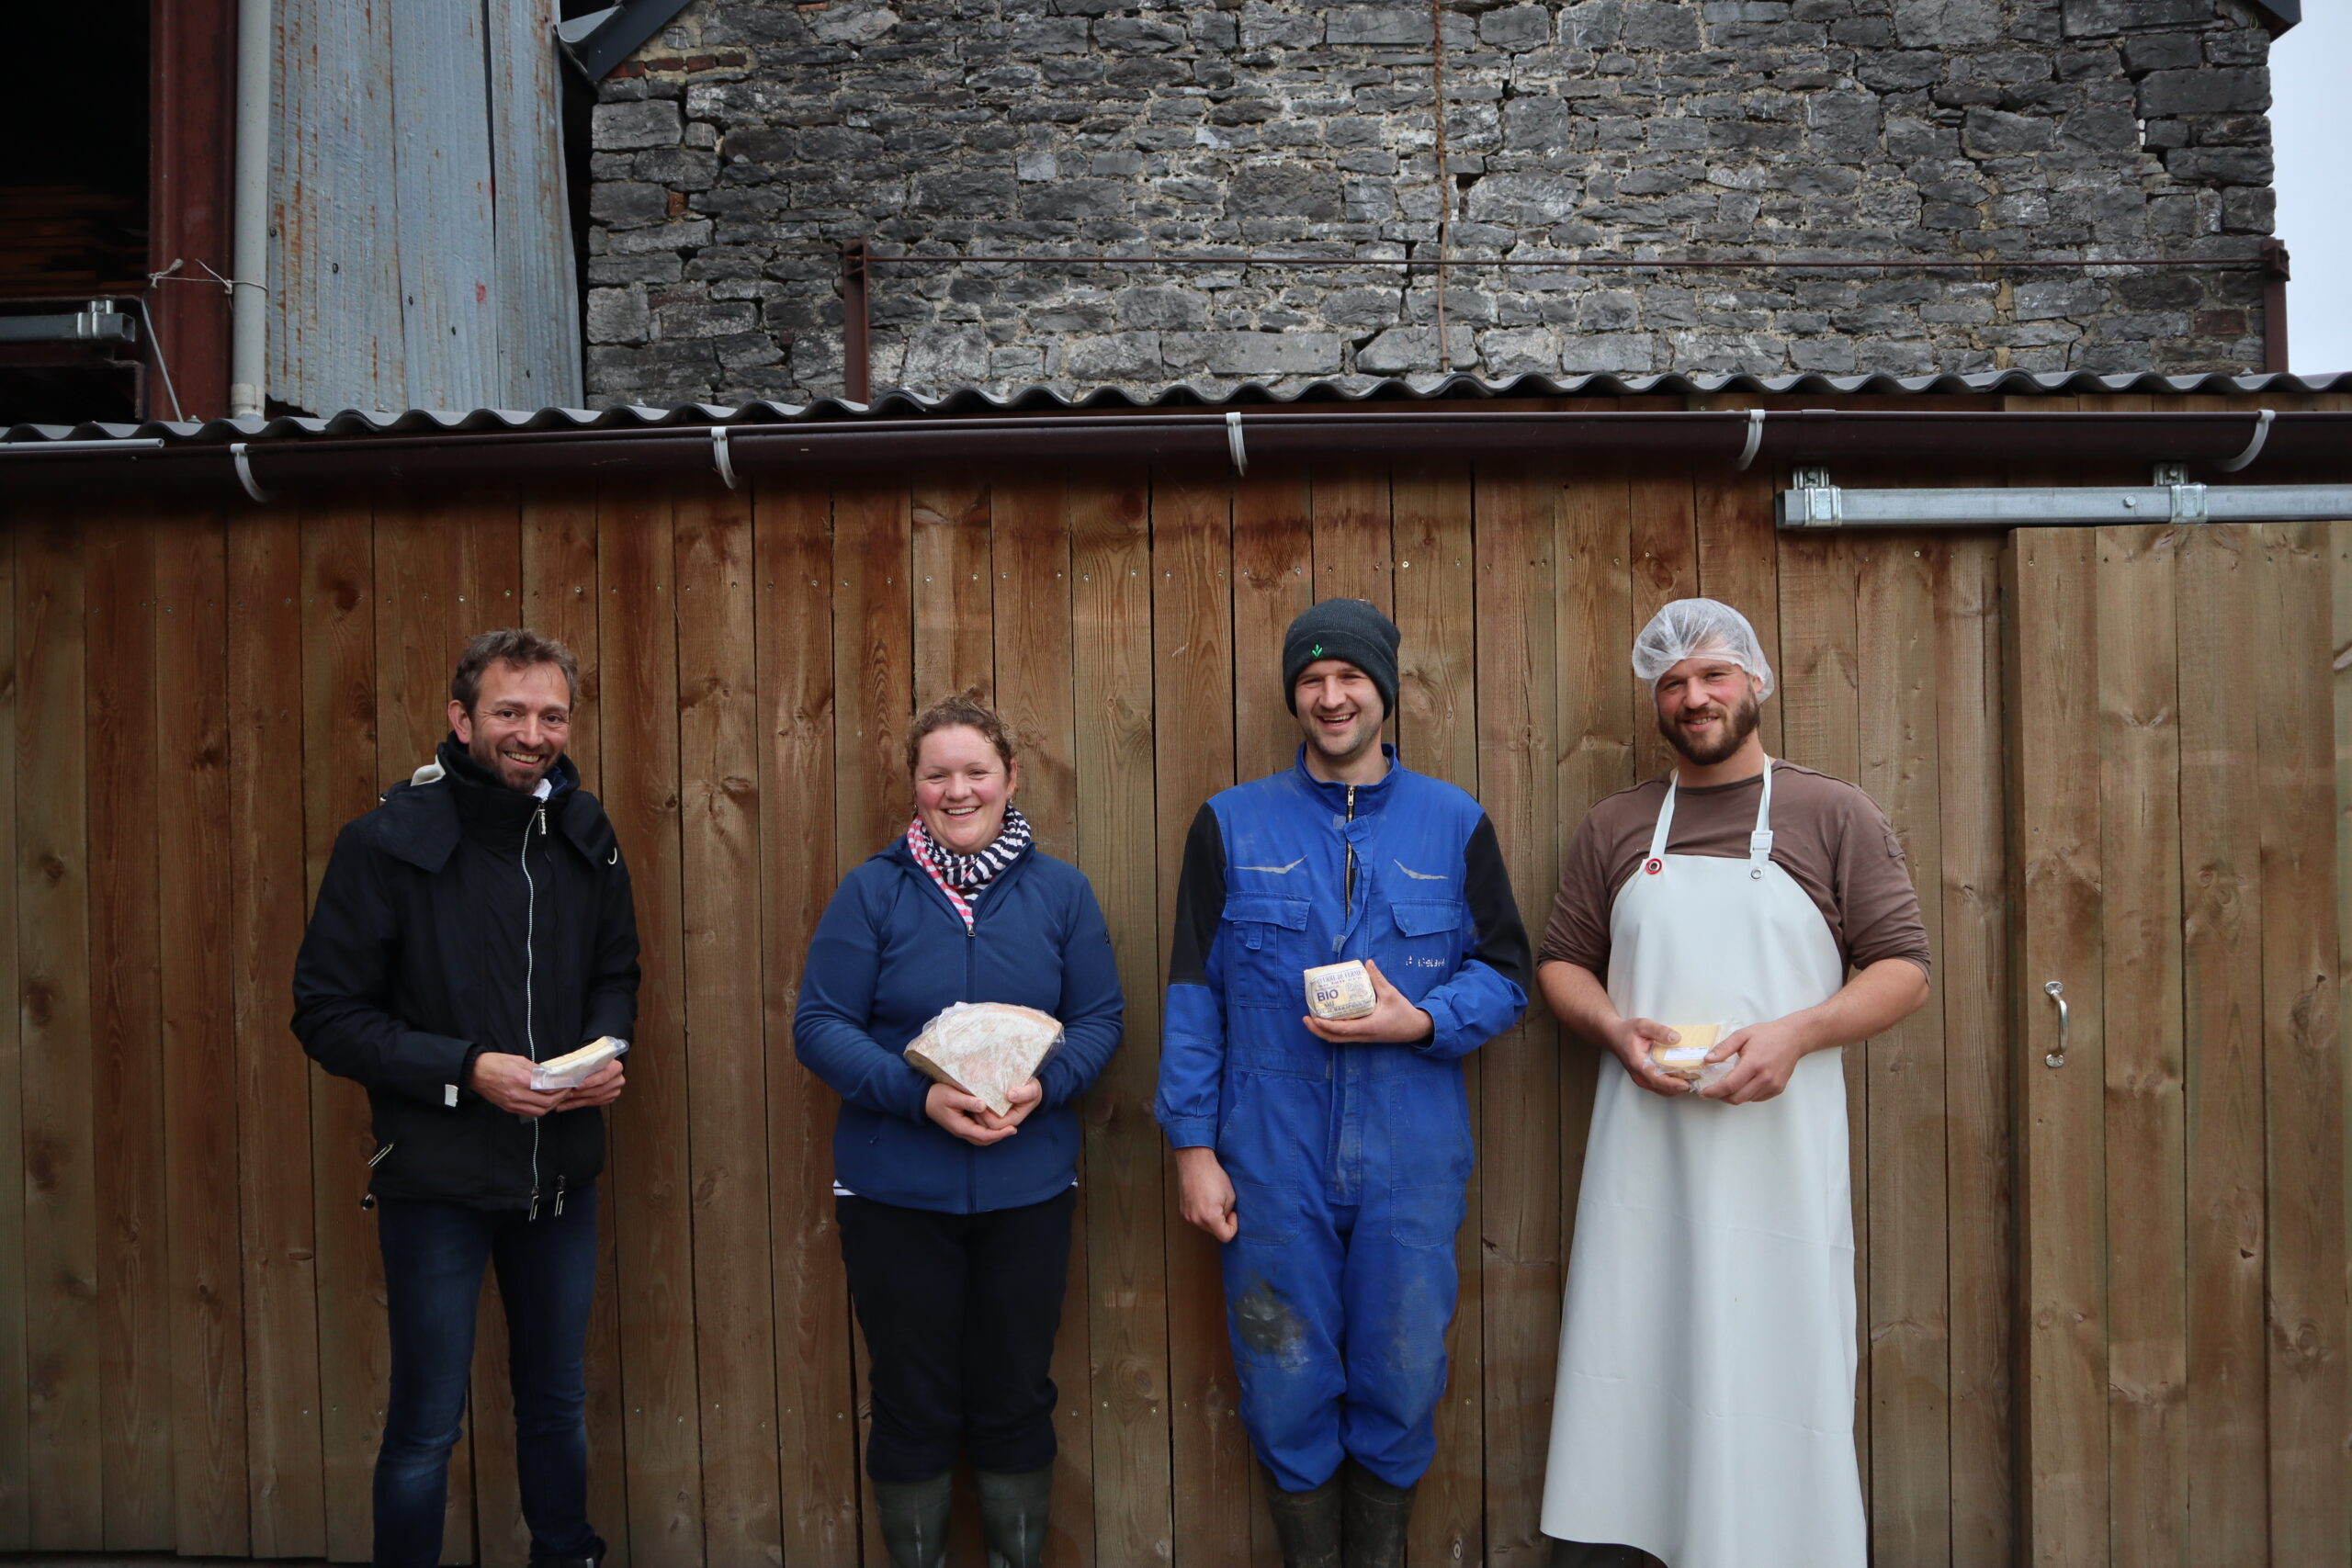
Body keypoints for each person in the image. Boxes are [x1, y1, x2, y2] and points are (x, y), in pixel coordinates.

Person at [1535, 599, 1932, 1568]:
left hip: (1778, 1166)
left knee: (1775, 1360)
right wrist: (1615, 1029)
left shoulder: (1833, 814)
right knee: (1636, 1354)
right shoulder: (1616, 826)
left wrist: (1796, 1035)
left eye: (1713, 675)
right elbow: (1559, 964)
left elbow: (1901, 969)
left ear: (1756, 682)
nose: (1692, 696)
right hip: (1645, 1159)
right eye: (1671, 683)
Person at [1158, 598, 1532, 1568]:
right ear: (1296, 696)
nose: (1331, 697)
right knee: (1281, 1377)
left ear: (1384, 692)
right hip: (1269, 1153)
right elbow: (1193, 995)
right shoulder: (1230, 824)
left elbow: (1508, 973)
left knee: (1402, 1376)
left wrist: (1426, 1021)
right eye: (1312, 680)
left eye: (1349, 678)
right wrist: (1192, 1147)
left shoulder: (1454, 823)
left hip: (1410, 1151)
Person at [292, 628, 638, 1568]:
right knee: (426, 1423)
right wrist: (465, 1067)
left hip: (559, 1174)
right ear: (461, 717)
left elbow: (617, 971)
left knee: (556, 1404)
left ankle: (564, 1553)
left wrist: (610, 1051)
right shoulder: (385, 842)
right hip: (435, 1181)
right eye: (510, 712)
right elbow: (325, 1016)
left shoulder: (584, 832)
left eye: (552, 714)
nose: (533, 733)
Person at [795, 693, 1124, 1568]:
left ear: (1010, 779)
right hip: (894, 1192)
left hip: (1028, 1188)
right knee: (911, 1400)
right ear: (914, 784)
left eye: (976, 771)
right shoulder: (872, 892)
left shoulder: (1060, 893)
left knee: (1016, 1396)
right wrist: (918, 1097)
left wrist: (1043, 1089)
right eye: (937, 773)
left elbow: (1099, 1019)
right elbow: (820, 1026)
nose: (957, 789)